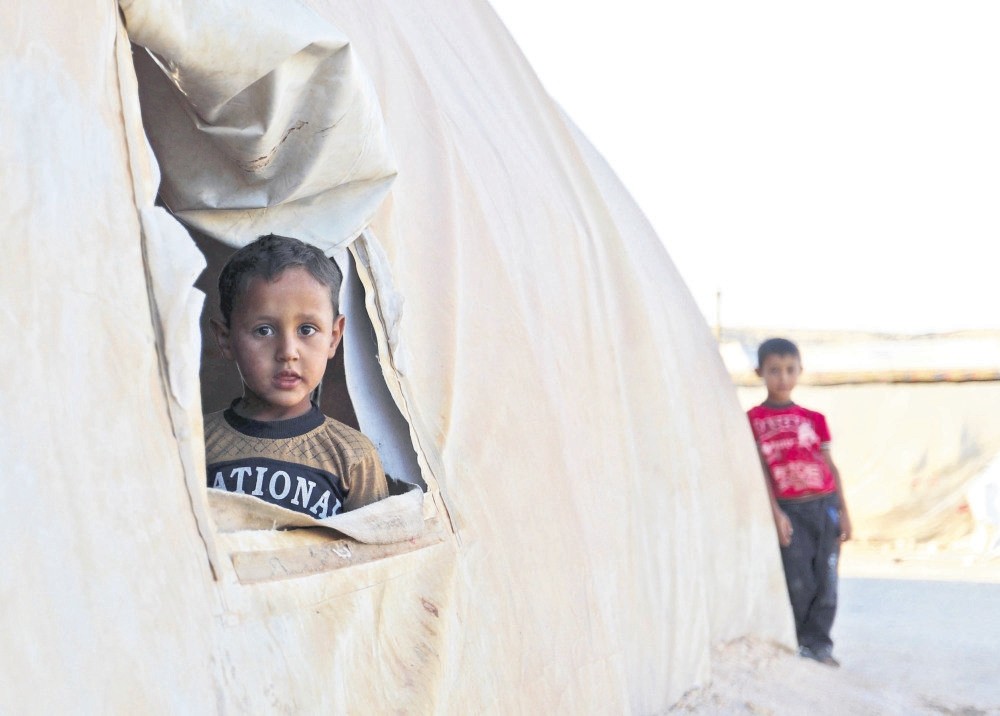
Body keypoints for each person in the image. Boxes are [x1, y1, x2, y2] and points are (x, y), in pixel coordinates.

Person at [204, 234, 388, 518]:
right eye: (264, 330)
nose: (288, 352)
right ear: (226, 339)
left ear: (333, 337)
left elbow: (378, 558)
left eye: (307, 329)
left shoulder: (352, 456)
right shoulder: (196, 443)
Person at [747, 337, 852, 667]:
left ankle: (820, 645)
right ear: (759, 372)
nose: (783, 377)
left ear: (800, 371)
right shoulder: (752, 420)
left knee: (827, 579)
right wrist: (775, 512)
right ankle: (799, 640)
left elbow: (830, 466)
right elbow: (760, 470)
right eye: (774, 370)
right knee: (799, 580)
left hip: (824, 505)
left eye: (790, 370)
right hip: (790, 509)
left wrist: (844, 511)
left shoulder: (814, 418)